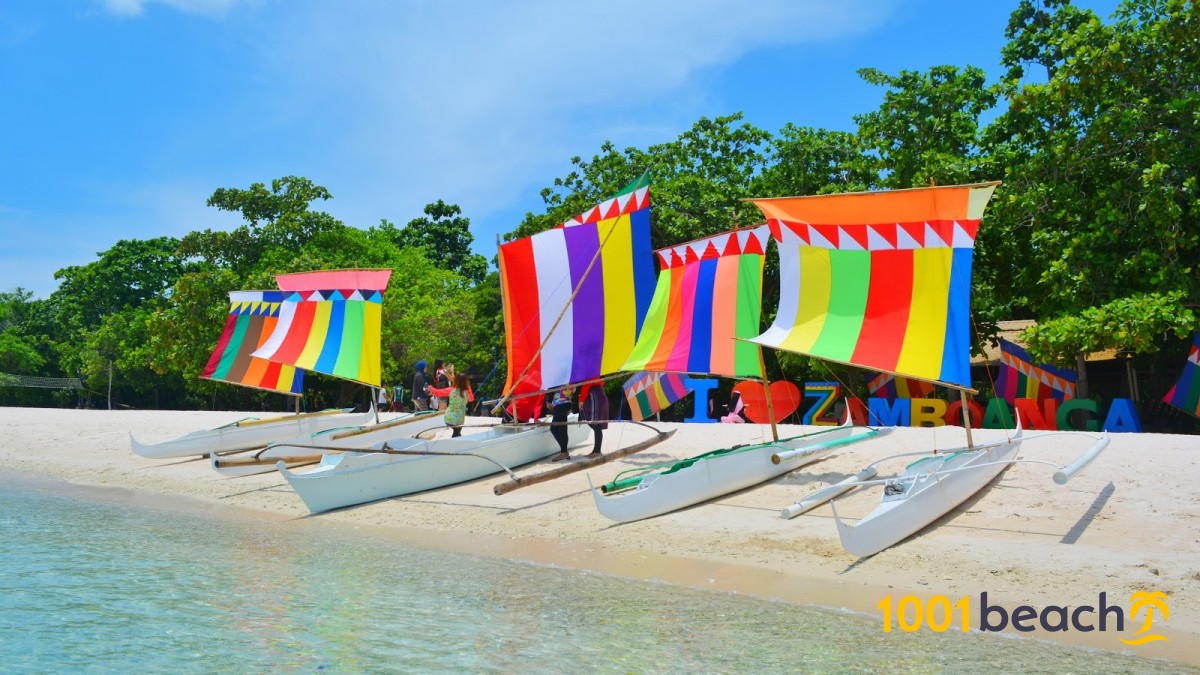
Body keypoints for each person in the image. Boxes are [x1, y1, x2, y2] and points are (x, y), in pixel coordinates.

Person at [578, 382, 608, 456]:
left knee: (595, 424)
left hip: (594, 396)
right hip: (598, 394)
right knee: (594, 424)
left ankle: (597, 451)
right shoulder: (597, 372)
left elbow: (586, 384)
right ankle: (596, 450)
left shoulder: (590, 373)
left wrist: (581, 400)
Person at [549, 386, 574, 461]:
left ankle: (564, 452)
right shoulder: (572, 379)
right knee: (558, 429)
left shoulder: (562, 379)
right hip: (564, 404)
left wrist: (549, 401)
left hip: (561, 404)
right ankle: (564, 451)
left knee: (559, 429)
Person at [445, 373, 474, 437]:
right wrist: (469, 387)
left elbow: (437, 392)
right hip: (458, 420)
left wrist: (430, 388)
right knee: (457, 433)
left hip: (448, 417)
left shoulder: (450, 390)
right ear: (466, 381)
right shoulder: (467, 392)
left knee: (457, 433)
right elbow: (471, 399)